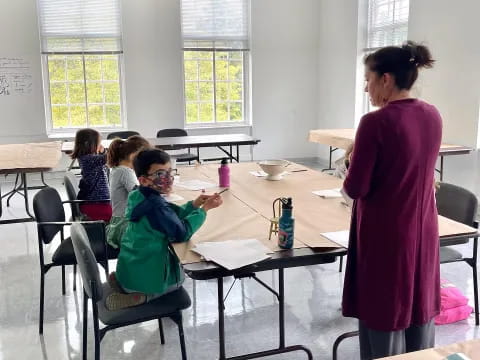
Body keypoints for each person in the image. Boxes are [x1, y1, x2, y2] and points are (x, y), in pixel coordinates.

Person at [341, 41, 440, 359]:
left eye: (368, 80)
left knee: (384, 310)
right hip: (423, 229)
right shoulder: (432, 115)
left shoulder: (376, 122)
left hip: (386, 233)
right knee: (417, 306)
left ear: (386, 79)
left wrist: (350, 161)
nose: (366, 89)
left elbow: (355, 188)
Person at [107, 149, 223, 310]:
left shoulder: (139, 195)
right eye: (161, 174)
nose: (168, 178)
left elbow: (170, 215)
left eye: (169, 172)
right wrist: (204, 210)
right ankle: (142, 297)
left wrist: (194, 205)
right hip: (146, 277)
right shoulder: (155, 206)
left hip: (132, 268)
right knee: (180, 280)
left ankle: (124, 283)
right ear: (144, 180)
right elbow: (181, 233)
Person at [105, 135, 151, 248]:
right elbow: (140, 195)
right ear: (133, 156)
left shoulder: (118, 169)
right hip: (124, 226)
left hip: (118, 223)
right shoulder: (125, 172)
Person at [70, 128, 111, 222]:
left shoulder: (86, 158)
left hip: (97, 201)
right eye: (98, 143)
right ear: (88, 144)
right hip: (95, 204)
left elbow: (104, 159)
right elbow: (109, 158)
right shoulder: (88, 159)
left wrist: (103, 151)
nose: (100, 145)